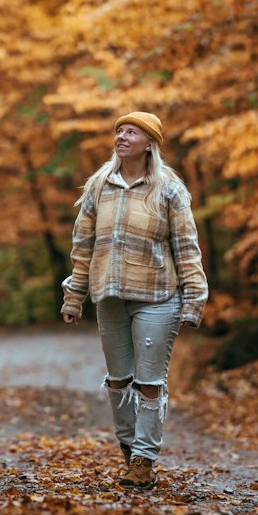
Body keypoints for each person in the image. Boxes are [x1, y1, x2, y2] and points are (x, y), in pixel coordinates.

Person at [61, 111, 208, 489]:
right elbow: (82, 246)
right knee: (117, 381)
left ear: (149, 143)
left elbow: (187, 248)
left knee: (149, 381)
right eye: (119, 131)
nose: (121, 137)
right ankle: (130, 448)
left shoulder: (169, 189)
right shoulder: (98, 186)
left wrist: (194, 299)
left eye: (131, 132)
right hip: (109, 297)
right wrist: (74, 296)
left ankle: (143, 459)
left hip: (158, 297)